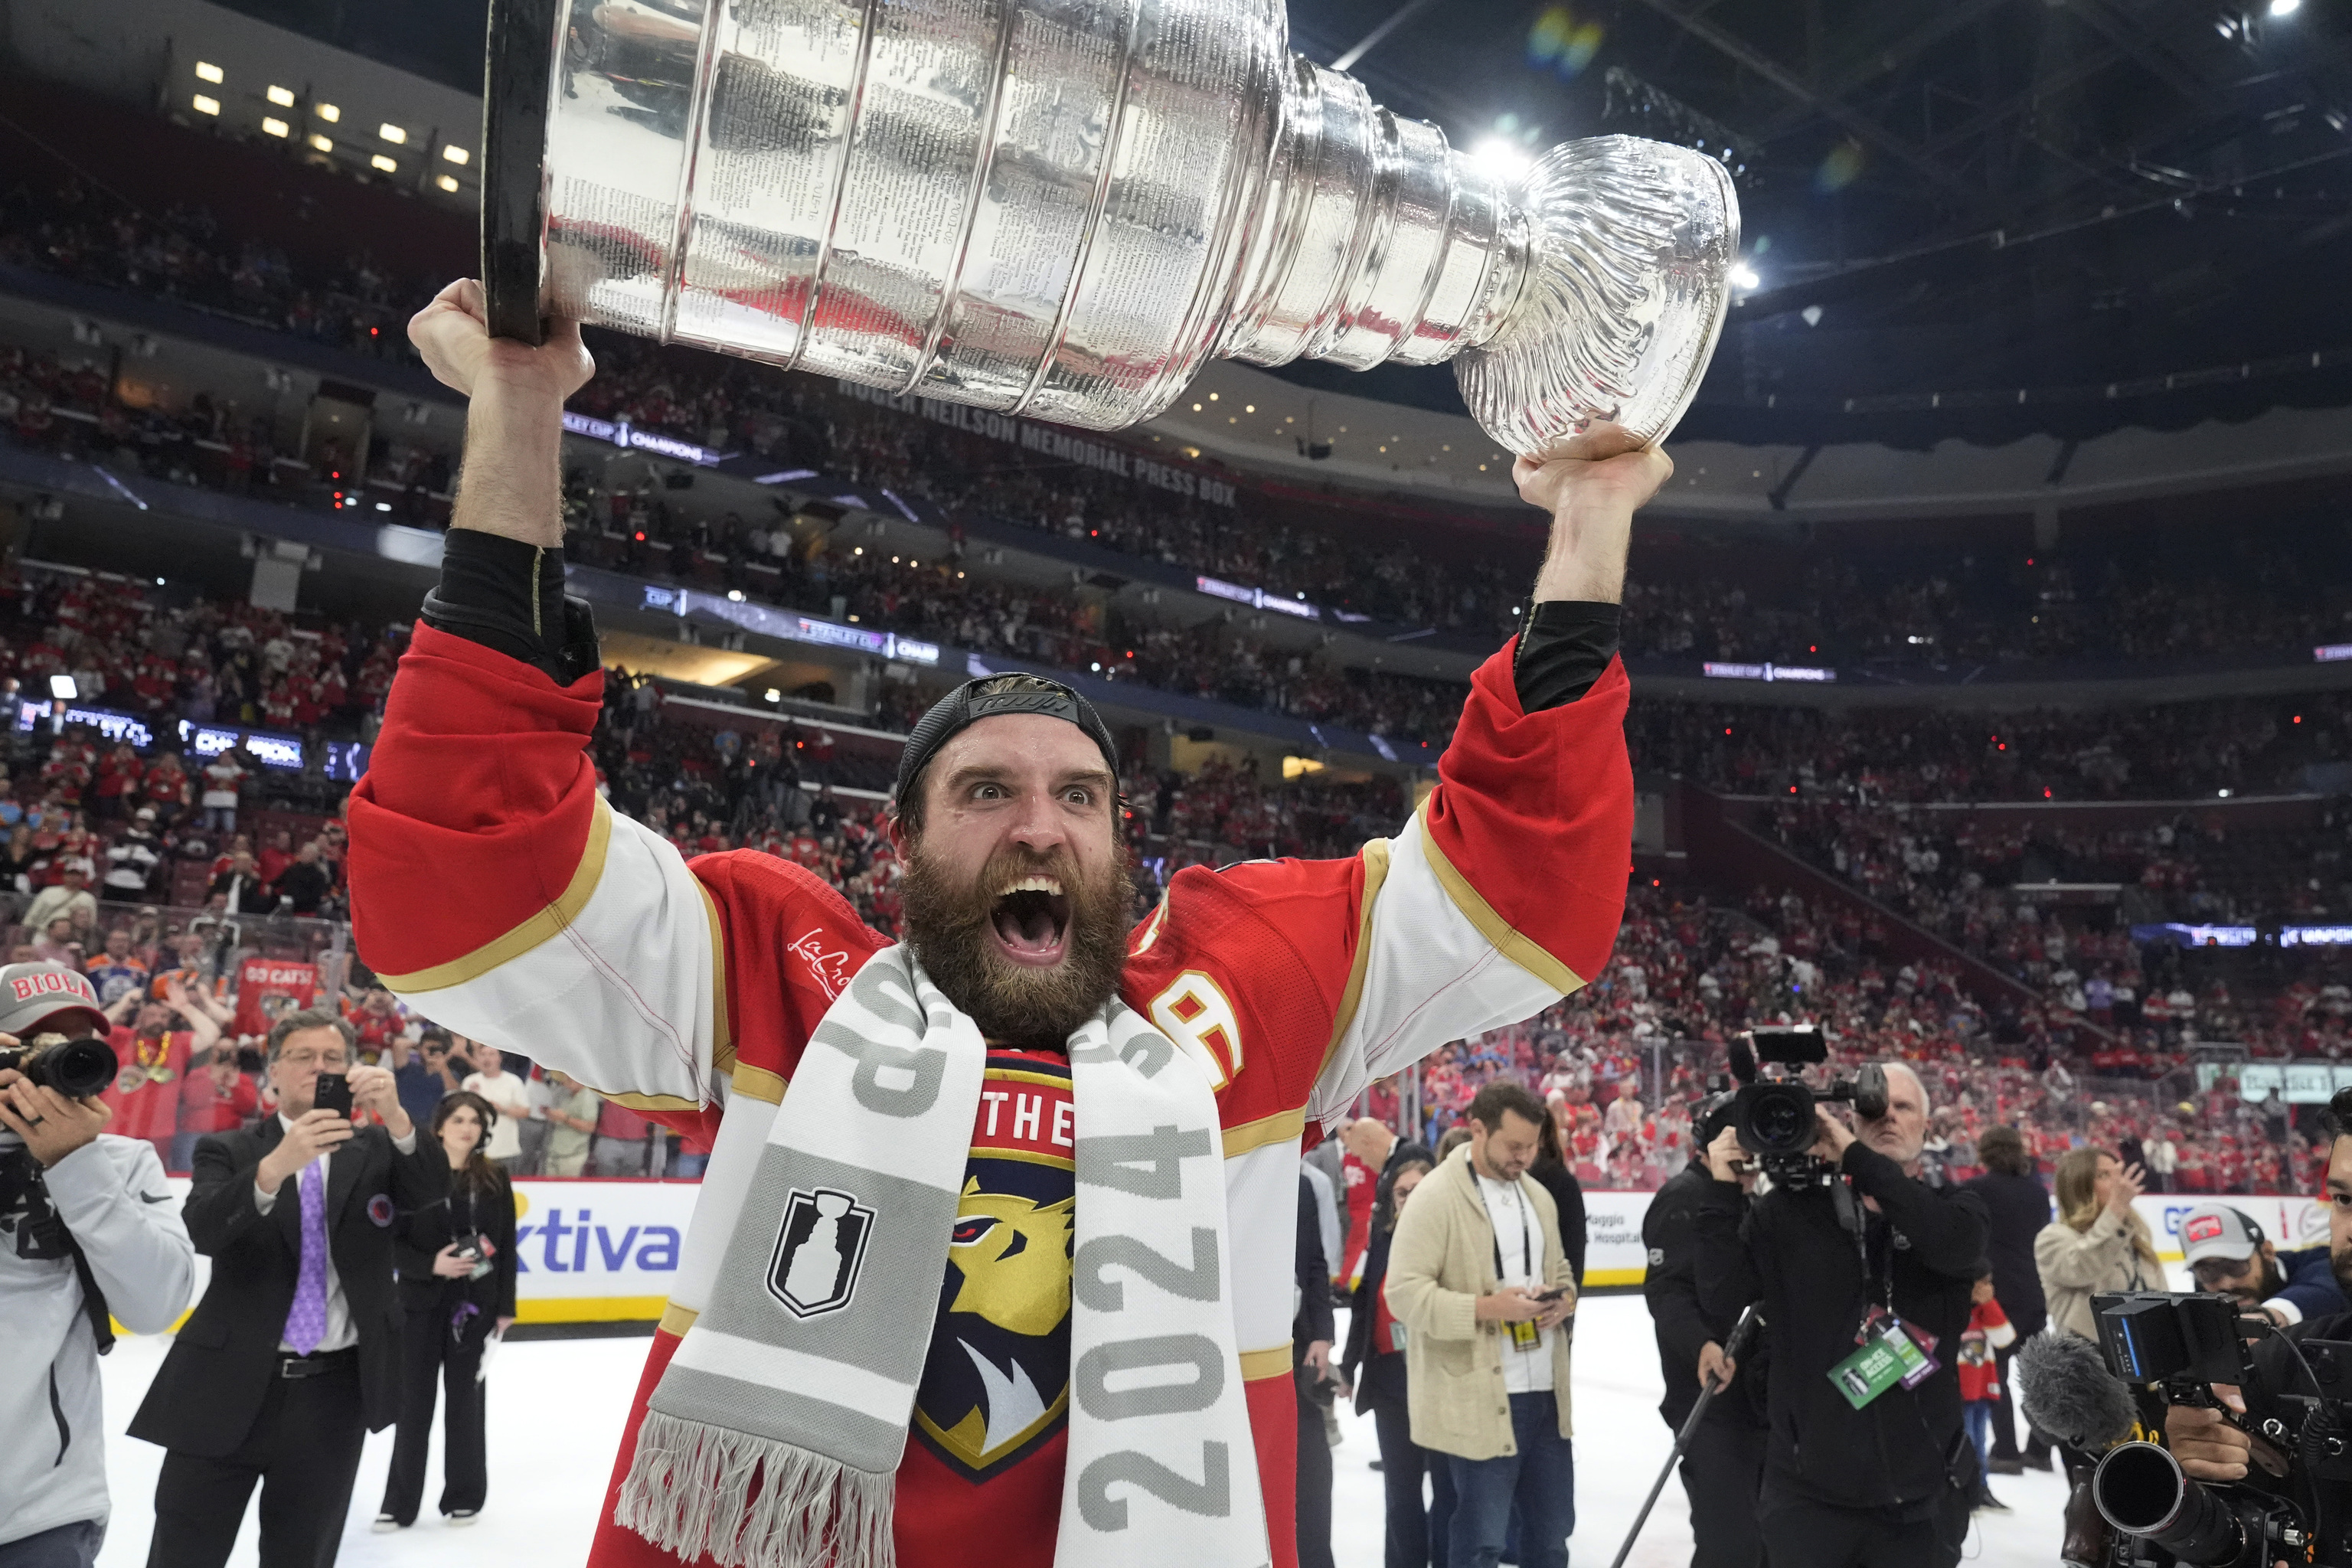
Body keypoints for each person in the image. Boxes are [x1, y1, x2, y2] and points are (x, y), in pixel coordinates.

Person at [349, 276, 1651, 1568]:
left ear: (1118, 842)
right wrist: (516, 416)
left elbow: (1520, 889)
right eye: (987, 790)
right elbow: (467, 878)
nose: (1040, 825)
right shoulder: (775, 976)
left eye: (1078, 794)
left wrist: (1588, 527)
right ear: (902, 842)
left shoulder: (1255, 984)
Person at [128, 1010, 448, 1568]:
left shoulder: (375, 1147)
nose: (318, 1068)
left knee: (303, 1554)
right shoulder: (227, 1149)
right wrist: (276, 1168)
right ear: (274, 1070)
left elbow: (430, 1191)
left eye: (332, 1059)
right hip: (223, 1388)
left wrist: (397, 1117)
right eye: (303, 1057)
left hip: (333, 1395)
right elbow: (202, 1230)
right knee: (184, 1551)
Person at [1692, 1062, 1988, 1568]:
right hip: (1808, 1501)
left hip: (1922, 1504)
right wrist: (1722, 1192)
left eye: (1903, 1107)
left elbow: (1945, 1241)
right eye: (1874, 1107)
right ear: (1852, 1118)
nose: (1888, 1117)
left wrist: (1856, 1158)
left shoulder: (1959, 1212)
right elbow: (1723, 1297)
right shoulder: (1788, 1212)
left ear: (1927, 1126)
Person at [0, 964, 198, 1568]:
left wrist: (76, 1165)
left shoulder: (122, 1161)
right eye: (35, 1047)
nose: (53, 1070)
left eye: (73, 1048)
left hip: (43, 1511)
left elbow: (156, 1305)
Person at [1385, 1081, 1578, 1568]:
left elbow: (1560, 1272)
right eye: (1515, 1146)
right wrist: (1490, 1309)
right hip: (1478, 1398)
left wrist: (1564, 1300)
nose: (1526, 1156)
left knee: (1552, 1539)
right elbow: (1404, 1295)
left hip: (1546, 1398)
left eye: (1533, 1145)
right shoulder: (1434, 1197)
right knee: (1481, 1544)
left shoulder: (1539, 1197)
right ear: (1477, 1130)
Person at [376, 1091, 518, 1530]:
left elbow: (507, 1246)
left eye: (475, 1121)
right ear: (439, 1126)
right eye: (458, 1119)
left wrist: (505, 1307)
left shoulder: (495, 1177)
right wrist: (429, 1265)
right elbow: (387, 1242)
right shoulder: (409, 1175)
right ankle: (399, 1503)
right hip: (418, 1304)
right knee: (412, 1404)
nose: (467, 1127)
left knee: (465, 1404)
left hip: (474, 1308)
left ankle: (464, 1497)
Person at [1642, 1101, 1767, 1568]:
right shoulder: (1683, 1197)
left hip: (1756, 1399)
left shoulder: (1747, 1197)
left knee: (1762, 1540)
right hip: (1707, 1402)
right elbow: (1666, 1291)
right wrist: (1701, 1343)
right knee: (1729, 1543)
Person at [1342, 1152, 1443, 1568]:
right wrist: (1347, 1367)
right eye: (1401, 1192)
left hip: (1438, 1382)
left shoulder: (1447, 1239)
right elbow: (1364, 1307)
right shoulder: (1383, 1238)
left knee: (1448, 1491)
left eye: (1418, 1191)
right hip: (1388, 1381)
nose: (1408, 1199)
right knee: (1400, 1495)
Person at [1955, 1125, 2050, 1475]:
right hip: (2033, 1290)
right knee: (2037, 1375)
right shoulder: (2038, 1193)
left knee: (1997, 1372)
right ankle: (2039, 1449)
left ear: (1985, 1153)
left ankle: (2007, 1450)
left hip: (1995, 1295)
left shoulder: (1975, 1190)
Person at [2034, 1146, 2161, 1341]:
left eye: (2118, 1173)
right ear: (2078, 1184)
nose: (2119, 1183)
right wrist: (2116, 1211)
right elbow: (2084, 1268)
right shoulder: (2053, 1238)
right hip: (2087, 1365)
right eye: (2104, 1175)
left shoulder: (2133, 1237)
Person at [2177, 1200, 2348, 1326]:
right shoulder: (2203, 1295)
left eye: (2236, 1265)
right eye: (2208, 1272)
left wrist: (2268, 1316)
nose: (2226, 1284)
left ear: (2267, 1252)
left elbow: (2328, 1288)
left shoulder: (2318, 1262)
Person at [1294, 1171, 1339, 1568]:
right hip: (1229, 1356)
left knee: (1312, 1477)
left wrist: (1323, 1334)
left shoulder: (1301, 1185)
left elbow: (1315, 1267)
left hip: (1294, 1354)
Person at [1955, 1266, 2015, 1514]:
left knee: (1980, 1442)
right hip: (1961, 1388)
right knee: (1965, 1441)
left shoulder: (1985, 1310)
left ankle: (1980, 1489)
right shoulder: (1956, 1308)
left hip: (1982, 1386)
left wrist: (1988, 1304)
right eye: (1981, 1283)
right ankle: (1962, 1492)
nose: (1985, 1288)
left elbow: (2004, 1337)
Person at [1527, 1109, 1588, 1289]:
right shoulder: (1504, 1180)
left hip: (1548, 1299)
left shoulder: (1560, 1182)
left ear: (1542, 1139)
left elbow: (1573, 1250)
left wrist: (1566, 1301)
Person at [459, 1050, 528, 1170]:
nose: (487, 1059)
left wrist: (502, 1110)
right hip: (475, 1150)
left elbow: (525, 1111)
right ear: (477, 1057)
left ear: (500, 1058)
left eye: (491, 1055)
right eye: (483, 1054)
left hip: (505, 1150)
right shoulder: (469, 1081)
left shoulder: (513, 1081)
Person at [540, 1069, 600, 1177]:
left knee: (568, 1189)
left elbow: (590, 1127)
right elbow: (560, 1117)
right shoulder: (565, 1095)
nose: (566, 1081)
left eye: (569, 1078)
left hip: (573, 1155)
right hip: (555, 1151)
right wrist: (551, 1114)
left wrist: (566, 1119)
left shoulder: (588, 1097)